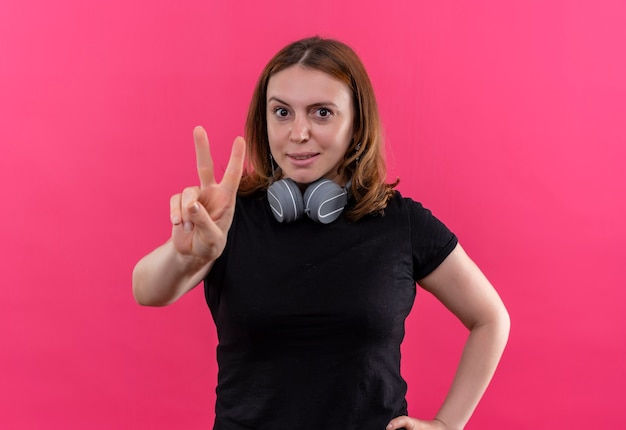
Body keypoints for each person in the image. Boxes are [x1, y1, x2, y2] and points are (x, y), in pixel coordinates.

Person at [132, 36, 510, 430]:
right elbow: (147, 290)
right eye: (282, 112)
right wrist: (189, 254)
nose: (298, 133)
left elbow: (490, 318)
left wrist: (448, 424)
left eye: (322, 113)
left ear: (357, 123)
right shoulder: (227, 217)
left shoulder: (401, 222)